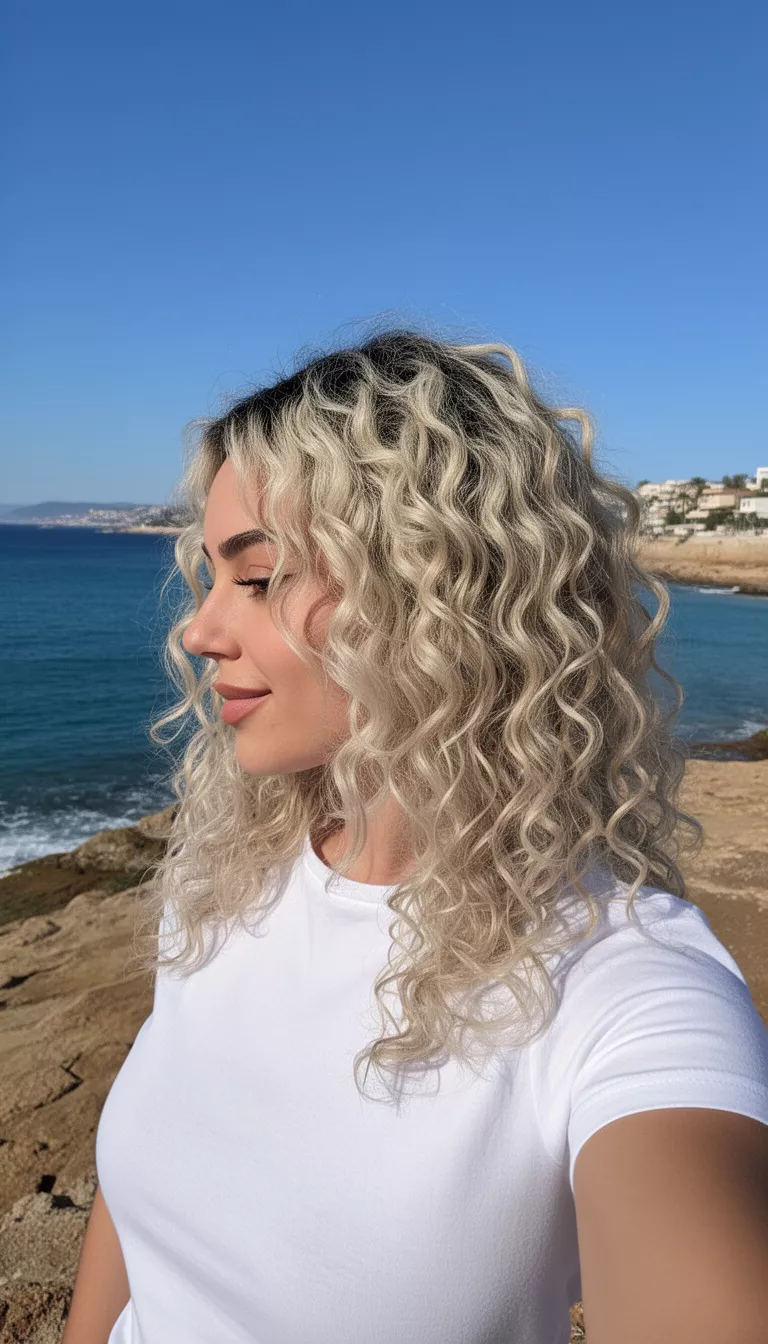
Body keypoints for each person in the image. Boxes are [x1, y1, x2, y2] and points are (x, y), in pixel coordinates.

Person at [65, 327, 768, 1344]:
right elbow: (139, 1211)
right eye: (209, 577)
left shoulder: (624, 986)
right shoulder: (224, 879)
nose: (200, 630)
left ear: (441, 592)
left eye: (257, 577)